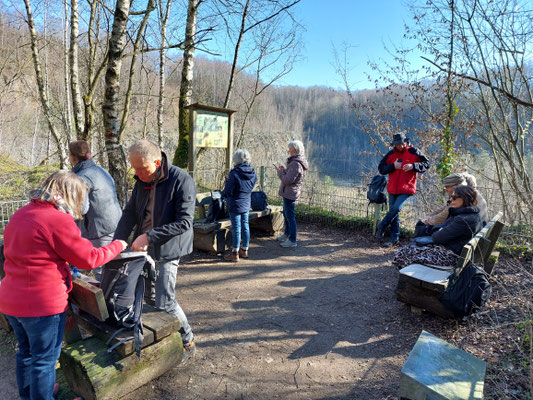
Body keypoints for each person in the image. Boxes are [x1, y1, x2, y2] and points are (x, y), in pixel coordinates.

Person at [0, 170, 127, 400]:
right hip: (41, 305)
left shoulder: (21, 214)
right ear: (69, 195)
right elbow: (89, 258)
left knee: (27, 353)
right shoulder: (58, 220)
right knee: (45, 359)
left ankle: (33, 394)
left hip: (10, 301)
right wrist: (118, 245)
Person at [113, 140, 197, 364]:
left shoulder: (181, 180)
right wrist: (118, 241)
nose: (137, 173)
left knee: (165, 301)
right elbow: (130, 211)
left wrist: (149, 237)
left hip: (169, 248)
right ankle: (163, 341)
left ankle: (188, 341)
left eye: (142, 168)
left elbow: (185, 223)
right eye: (134, 168)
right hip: (145, 247)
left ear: (157, 162)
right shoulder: (142, 179)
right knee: (147, 297)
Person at [393, 185, 483, 269]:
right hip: (453, 251)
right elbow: (443, 232)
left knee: (404, 253)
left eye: (454, 197)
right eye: (451, 197)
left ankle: (411, 282)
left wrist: (441, 230)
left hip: (452, 256)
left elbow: (437, 238)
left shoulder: (463, 219)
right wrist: (441, 230)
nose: (451, 199)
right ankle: (409, 281)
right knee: (407, 250)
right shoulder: (469, 214)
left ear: (465, 198)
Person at [69, 140, 122, 281]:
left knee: (102, 269)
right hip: (116, 223)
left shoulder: (81, 178)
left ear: (73, 157)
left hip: (99, 229)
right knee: (116, 266)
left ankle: (107, 301)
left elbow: (82, 208)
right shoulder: (101, 170)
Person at [376, 132, 430, 246]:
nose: (399, 146)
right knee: (394, 213)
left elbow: (427, 164)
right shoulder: (391, 154)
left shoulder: (414, 151)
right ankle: (394, 239)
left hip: (407, 188)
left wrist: (413, 166)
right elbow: (381, 169)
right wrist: (392, 166)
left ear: (406, 142)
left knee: (395, 209)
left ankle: (382, 226)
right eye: (397, 144)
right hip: (392, 188)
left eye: (401, 143)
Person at [414, 172, 488, 237]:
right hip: (471, 236)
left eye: (447, 187)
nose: (445, 190)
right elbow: (445, 208)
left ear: (456, 185)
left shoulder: (463, 197)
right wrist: (429, 216)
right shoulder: (470, 193)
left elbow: (443, 216)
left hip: (464, 238)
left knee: (422, 227)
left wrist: (426, 221)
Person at [221, 149, 258, 262]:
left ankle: (234, 253)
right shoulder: (252, 172)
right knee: (245, 226)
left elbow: (227, 191)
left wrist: (223, 193)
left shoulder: (234, 173)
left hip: (235, 204)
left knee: (236, 228)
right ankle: (244, 250)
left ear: (236, 159)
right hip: (246, 203)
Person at [275, 139, 309, 248]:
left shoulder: (295, 163)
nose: (288, 150)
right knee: (286, 214)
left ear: (295, 150)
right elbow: (291, 177)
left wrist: (280, 173)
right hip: (289, 192)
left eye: (290, 149)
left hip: (290, 193)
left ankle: (292, 240)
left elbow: (288, 180)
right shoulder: (295, 162)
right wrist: (284, 171)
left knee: (290, 216)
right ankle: (287, 234)